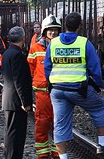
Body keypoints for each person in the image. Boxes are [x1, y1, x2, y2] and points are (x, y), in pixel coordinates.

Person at [44, 12, 104, 159]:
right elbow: (95, 68)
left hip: (58, 90)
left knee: (60, 123)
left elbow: (47, 67)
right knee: (99, 108)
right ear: (80, 26)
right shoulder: (84, 43)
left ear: (64, 25)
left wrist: (52, 82)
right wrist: (98, 85)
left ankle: (63, 157)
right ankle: (102, 144)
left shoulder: (53, 43)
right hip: (79, 89)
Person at [28, 15, 61, 158]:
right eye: (50, 30)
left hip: (59, 92)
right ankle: (42, 155)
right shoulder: (35, 47)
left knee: (58, 125)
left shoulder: (62, 47)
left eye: (55, 30)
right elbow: (30, 68)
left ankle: (57, 153)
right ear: (44, 31)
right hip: (43, 94)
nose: (53, 33)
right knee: (42, 123)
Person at [1, 26, 33, 159]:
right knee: (16, 136)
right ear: (23, 38)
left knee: (10, 133)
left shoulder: (7, 53)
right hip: (16, 102)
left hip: (9, 100)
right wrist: (25, 102)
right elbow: (19, 80)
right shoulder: (17, 55)